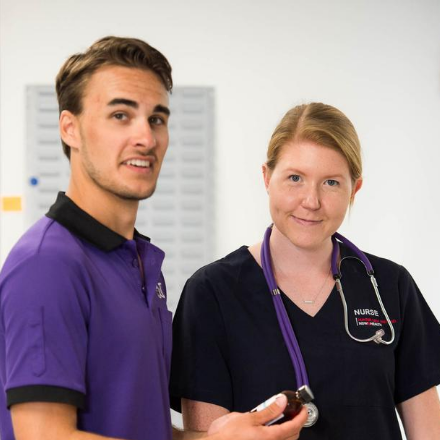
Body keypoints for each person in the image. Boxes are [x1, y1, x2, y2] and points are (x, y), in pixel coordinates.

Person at [0, 36, 307, 440]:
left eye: (157, 118)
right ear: (69, 128)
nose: (146, 137)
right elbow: (44, 436)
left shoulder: (141, 264)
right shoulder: (48, 265)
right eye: (121, 116)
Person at [169, 102, 440, 439]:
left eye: (331, 183)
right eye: (295, 178)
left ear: (354, 189)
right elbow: (206, 436)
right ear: (267, 178)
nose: (311, 201)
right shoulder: (212, 292)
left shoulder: (390, 286)